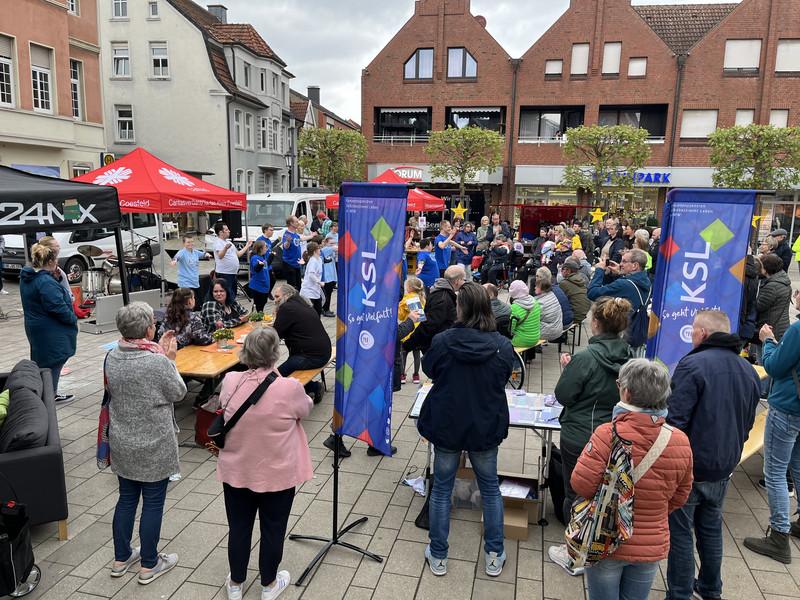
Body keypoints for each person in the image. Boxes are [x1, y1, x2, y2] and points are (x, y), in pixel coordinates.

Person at [570, 359, 693, 598]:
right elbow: (680, 497)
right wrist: (651, 511)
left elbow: (581, 485)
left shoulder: (608, 434)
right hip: (651, 546)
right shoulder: (680, 441)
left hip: (606, 541)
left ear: (626, 393)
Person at [417, 282, 514, 578]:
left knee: (442, 488)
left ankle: (438, 552)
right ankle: (494, 552)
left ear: (461, 308)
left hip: (448, 423)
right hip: (484, 424)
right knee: (489, 489)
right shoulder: (502, 344)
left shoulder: (444, 340)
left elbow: (430, 370)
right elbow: (503, 376)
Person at [665, 310, 760, 599]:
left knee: (680, 531)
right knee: (710, 528)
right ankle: (710, 589)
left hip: (690, 466)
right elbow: (748, 421)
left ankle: (679, 593)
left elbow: (675, 421)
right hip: (724, 464)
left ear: (704, 333)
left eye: (693, 329)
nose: (690, 334)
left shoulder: (692, 365)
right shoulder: (747, 369)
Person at [216, 326, 314, 600]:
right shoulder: (289, 387)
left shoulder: (230, 380)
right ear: (275, 353)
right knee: (273, 527)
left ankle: (236, 584)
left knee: (238, 526)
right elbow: (305, 409)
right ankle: (268, 585)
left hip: (237, 468)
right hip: (277, 473)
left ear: (245, 352)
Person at [548, 295, 635, 577]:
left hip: (580, 434)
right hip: (616, 435)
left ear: (596, 323)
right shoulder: (632, 357)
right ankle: (597, 542)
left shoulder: (585, 357)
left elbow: (564, 395)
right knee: (604, 493)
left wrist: (566, 370)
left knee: (575, 492)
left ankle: (574, 551)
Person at [106, 301, 184, 584]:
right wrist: (170, 360)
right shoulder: (156, 360)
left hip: (123, 440)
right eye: (153, 321)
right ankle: (149, 564)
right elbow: (178, 392)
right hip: (154, 442)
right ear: (149, 329)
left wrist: (161, 353)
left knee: (126, 500)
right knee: (153, 503)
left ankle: (121, 557)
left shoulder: (113, 355)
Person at [744, 287, 800, 565]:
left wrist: (768, 341)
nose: (795, 293)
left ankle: (779, 535)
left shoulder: (798, 330)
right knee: (798, 466)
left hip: (788, 406)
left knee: (775, 471)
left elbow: (774, 367)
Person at [20, 243, 78, 404]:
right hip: (50, 331)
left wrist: (57, 279)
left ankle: (48, 394)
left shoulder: (30, 277)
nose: (58, 261)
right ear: (51, 262)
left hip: (38, 327)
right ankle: (48, 396)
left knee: (46, 362)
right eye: (56, 259)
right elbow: (57, 307)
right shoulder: (45, 282)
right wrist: (72, 318)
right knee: (52, 363)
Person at [271, 283, 331, 404]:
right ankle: (309, 388)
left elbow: (274, 334)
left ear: (287, 295)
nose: (274, 300)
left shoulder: (287, 308)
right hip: (323, 352)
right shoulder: (302, 303)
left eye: (277, 297)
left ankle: (314, 387)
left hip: (312, 357)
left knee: (273, 377)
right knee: (289, 368)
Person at [403, 265, 465, 355]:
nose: (464, 282)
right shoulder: (443, 299)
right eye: (464, 280)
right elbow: (428, 325)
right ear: (458, 281)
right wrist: (407, 346)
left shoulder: (439, 291)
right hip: (435, 347)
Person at [753, 253, 792, 394]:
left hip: (769, 327)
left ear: (766, 268)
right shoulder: (783, 280)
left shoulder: (772, 286)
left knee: (764, 360)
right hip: (781, 325)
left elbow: (759, 306)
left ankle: (763, 391)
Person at [587, 249, 652, 316]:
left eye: (624, 261)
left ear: (635, 265)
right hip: (637, 324)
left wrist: (599, 270)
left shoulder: (623, 285)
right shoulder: (647, 282)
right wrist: (618, 274)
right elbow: (628, 292)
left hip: (624, 325)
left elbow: (592, 293)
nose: (620, 264)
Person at [213, 221, 251, 300]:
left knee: (232, 293)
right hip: (224, 273)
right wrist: (225, 248)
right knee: (226, 294)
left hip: (232, 273)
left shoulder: (229, 242)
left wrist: (247, 246)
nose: (229, 231)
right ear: (221, 232)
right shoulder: (218, 243)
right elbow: (220, 256)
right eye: (226, 230)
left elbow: (238, 254)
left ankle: (231, 308)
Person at [399, 276, 426, 384]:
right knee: (416, 353)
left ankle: (402, 375)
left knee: (404, 352)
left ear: (410, 288)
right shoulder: (422, 298)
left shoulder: (406, 299)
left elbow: (400, 316)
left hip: (408, 331)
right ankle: (416, 375)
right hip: (419, 331)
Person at [170, 235, 211, 301]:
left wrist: (206, 254)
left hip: (194, 282)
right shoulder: (182, 252)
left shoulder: (195, 252)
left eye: (192, 242)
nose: (190, 244)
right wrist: (174, 261)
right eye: (188, 242)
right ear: (184, 244)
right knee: (187, 302)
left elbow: (203, 254)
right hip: (185, 283)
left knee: (193, 302)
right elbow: (177, 256)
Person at [507, 279, 541, 347]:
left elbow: (511, 329)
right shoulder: (534, 301)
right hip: (536, 338)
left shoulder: (514, 308)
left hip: (521, 341)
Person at [558, 259, 590, 324]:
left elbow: (558, 300)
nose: (561, 272)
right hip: (582, 314)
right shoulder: (581, 280)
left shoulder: (565, 283)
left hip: (574, 316)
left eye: (562, 269)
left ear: (568, 271)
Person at [532, 276, 563, 341]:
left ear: (543, 289)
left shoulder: (541, 302)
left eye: (537, 287)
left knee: (525, 327)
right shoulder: (552, 295)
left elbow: (532, 318)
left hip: (549, 332)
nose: (535, 288)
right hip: (557, 328)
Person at [299, 242, 323, 315]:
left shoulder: (319, 260)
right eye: (319, 248)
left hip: (316, 291)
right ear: (315, 251)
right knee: (311, 313)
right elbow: (311, 275)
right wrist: (319, 282)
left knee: (318, 311)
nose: (320, 250)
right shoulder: (313, 261)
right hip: (309, 292)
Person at [256, 223, 277, 300]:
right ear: (265, 230)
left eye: (273, 230)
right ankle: (264, 293)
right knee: (266, 279)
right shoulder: (260, 240)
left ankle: (268, 292)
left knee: (273, 280)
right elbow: (256, 250)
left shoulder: (268, 241)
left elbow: (270, 247)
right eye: (271, 230)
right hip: (263, 263)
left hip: (269, 263)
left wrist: (277, 241)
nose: (272, 232)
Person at [248, 240, 271, 313]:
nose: (266, 249)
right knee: (258, 304)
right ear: (260, 249)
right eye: (265, 247)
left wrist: (271, 257)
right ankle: (256, 317)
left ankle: (260, 316)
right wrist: (259, 265)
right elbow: (256, 269)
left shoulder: (263, 257)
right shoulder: (255, 258)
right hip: (258, 285)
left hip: (264, 285)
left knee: (263, 302)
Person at [281, 216, 302, 290]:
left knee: (299, 286)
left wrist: (311, 236)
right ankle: (291, 300)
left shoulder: (295, 234)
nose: (298, 223)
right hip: (289, 263)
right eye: (296, 221)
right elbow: (285, 246)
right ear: (291, 223)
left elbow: (301, 239)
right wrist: (288, 241)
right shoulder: (286, 234)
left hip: (297, 264)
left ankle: (297, 300)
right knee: (292, 286)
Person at [321, 236, 338, 317]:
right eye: (331, 243)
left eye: (334, 243)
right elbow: (336, 248)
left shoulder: (331, 251)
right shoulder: (325, 249)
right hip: (326, 277)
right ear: (326, 243)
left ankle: (327, 309)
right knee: (326, 294)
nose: (333, 245)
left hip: (331, 276)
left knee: (329, 294)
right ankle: (325, 309)